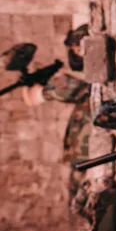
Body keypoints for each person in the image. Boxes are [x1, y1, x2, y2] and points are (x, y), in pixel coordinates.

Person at [21, 24, 91, 201]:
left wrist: (28, 81)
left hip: (87, 159)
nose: (76, 52)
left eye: (79, 47)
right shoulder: (84, 81)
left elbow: (31, 99)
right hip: (85, 158)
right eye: (74, 48)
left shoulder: (73, 82)